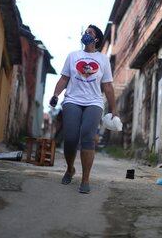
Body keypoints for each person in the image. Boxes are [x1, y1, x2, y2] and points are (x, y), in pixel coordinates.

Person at [49, 24, 116, 194]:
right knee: (70, 138)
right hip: (72, 99)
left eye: (90, 33)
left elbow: (107, 86)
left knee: (87, 137)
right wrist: (56, 94)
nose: (86, 34)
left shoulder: (103, 59)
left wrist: (113, 109)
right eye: (85, 32)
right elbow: (64, 79)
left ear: (96, 39)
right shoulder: (73, 56)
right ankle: (70, 169)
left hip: (94, 102)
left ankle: (85, 179)